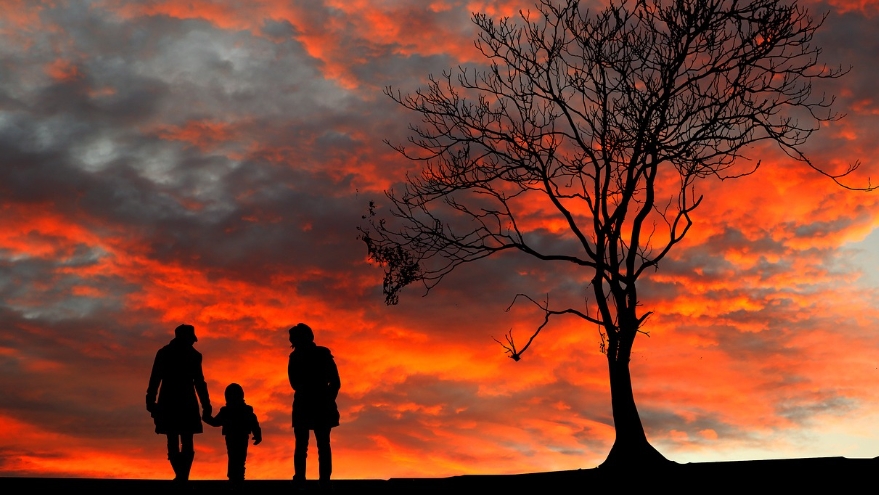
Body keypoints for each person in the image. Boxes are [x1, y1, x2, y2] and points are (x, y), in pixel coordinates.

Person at [146, 324, 212, 483]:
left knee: (175, 439)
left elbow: (155, 378)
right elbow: (199, 383)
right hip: (181, 400)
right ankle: (182, 476)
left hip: (171, 400)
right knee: (182, 439)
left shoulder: (166, 353)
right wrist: (206, 405)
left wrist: (150, 399)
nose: (193, 343)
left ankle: (182, 476)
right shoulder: (190, 355)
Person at [287, 323, 341, 489]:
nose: (293, 342)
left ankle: (312, 479)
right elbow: (335, 382)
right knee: (317, 444)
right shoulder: (316, 355)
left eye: (294, 339)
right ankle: (316, 479)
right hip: (311, 403)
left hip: (312, 403)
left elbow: (335, 382)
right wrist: (328, 398)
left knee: (312, 444)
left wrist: (327, 399)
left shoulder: (309, 356)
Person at [203, 383, 262, 488]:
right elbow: (254, 423)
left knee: (235, 456)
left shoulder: (232, 411)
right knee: (237, 457)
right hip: (238, 436)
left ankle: (235, 478)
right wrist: (257, 434)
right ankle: (236, 477)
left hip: (237, 436)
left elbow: (215, 422)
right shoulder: (243, 410)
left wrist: (206, 417)